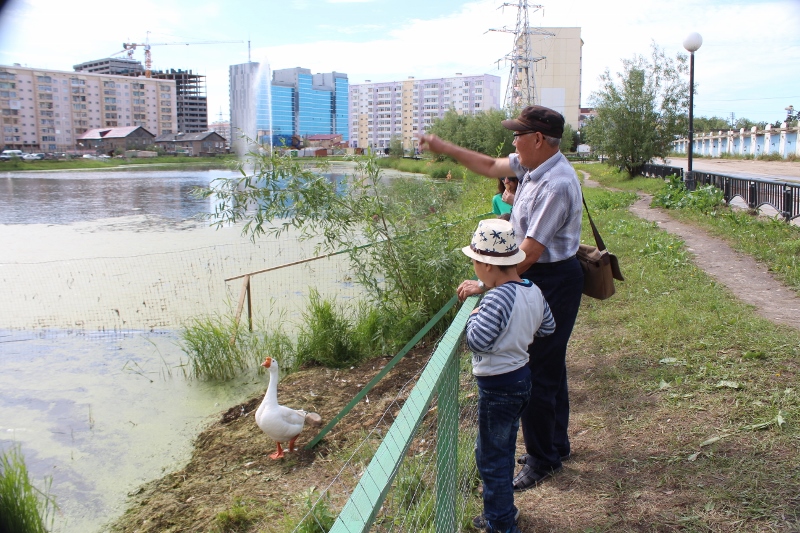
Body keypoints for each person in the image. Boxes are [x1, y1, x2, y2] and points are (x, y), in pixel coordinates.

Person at [419, 105, 584, 492]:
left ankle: (543, 459)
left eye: (518, 135)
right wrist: (445, 147)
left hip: (551, 277)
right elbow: (491, 166)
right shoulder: (533, 167)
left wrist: (488, 282)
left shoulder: (555, 184)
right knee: (551, 364)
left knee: (539, 371)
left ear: (539, 140)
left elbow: (528, 252)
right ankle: (556, 444)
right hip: (541, 273)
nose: (513, 142)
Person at [462, 218, 555, 533]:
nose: (474, 267)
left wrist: (475, 315)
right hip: (521, 380)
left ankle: (501, 522)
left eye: (474, 261)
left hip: (498, 389)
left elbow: (478, 340)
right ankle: (502, 512)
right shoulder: (532, 290)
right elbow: (548, 328)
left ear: (488, 266)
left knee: (492, 458)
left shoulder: (496, 298)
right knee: (500, 448)